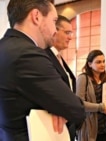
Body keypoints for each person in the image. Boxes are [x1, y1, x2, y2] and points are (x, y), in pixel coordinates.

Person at [0, 1, 86, 141]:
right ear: (36, 16)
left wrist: (56, 108)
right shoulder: (27, 54)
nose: (54, 30)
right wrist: (59, 110)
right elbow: (75, 110)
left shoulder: (4, 47)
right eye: (54, 21)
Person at [76, 49, 106, 141]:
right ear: (89, 64)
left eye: (104, 61)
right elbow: (80, 103)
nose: (102, 64)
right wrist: (101, 107)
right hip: (90, 127)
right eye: (98, 62)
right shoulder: (83, 78)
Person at [45, 15, 76, 141]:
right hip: (54, 124)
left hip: (67, 123)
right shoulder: (44, 56)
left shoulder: (59, 57)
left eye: (71, 33)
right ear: (54, 30)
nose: (70, 37)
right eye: (67, 32)